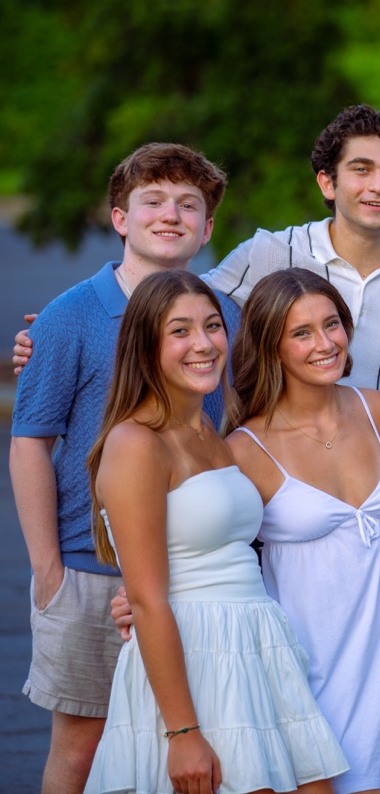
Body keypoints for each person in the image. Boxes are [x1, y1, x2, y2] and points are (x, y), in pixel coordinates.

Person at [8, 143, 240, 792]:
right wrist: (49, 570)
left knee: (191, 743)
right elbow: (30, 441)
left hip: (191, 573)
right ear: (120, 217)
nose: (171, 215)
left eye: (188, 204)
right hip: (88, 568)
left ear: (208, 227)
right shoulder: (69, 316)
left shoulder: (226, 319)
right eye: (153, 201)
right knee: (82, 747)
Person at [85, 270, 347, 793]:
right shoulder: (136, 442)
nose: (203, 344)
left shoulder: (210, 428)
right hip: (197, 655)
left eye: (212, 326)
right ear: (146, 345)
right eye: (179, 331)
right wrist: (183, 731)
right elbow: (149, 599)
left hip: (256, 644)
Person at [225, 268, 380, 793]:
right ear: (271, 347)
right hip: (311, 677)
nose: (324, 344)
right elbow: (215, 552)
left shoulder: (375, 408)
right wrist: (139, 599)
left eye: (332, 325)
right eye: (301, 333)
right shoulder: (243, 449)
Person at [205, 104, 380, 398]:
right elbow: (179, 310)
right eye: (361, 169)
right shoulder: (269, 253)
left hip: (378, 443)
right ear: (327, 183)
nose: (378, 186)